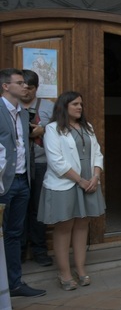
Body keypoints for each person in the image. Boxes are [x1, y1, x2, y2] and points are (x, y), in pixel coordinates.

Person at [38, 91, 105, 291]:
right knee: (64, 227)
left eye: (81, 104)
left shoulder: (88, 127)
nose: (79, 107)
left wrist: (95, 176)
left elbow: (97, 153)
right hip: (66, 182)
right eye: (75, 104)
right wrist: (80, 181)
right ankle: (64, 272)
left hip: (89, 180)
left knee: (82, 225)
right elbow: (56, 161)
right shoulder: (52, 129)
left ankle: (81, 269)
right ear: (64, 106)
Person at [0, 68, 46, 298]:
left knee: (14, 234)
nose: (25, 86)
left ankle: (14, 283)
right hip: (2, 184)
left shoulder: (24, 113)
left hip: (23, 180)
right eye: (20, 83)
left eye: (27, 84)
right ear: (6, 86)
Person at [19, 70, 54, 267]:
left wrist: (44, 129)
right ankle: (20, 251)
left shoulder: (48, 106)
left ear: (36, 88)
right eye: (22, 87)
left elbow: (60, 129)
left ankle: (40, 250)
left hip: (41, 164)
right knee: (19, 209)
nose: (26, 91)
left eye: (30, 88)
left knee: (38, 209)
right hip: (18, 166)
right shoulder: (9, 106)